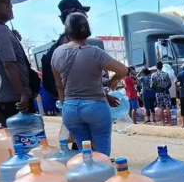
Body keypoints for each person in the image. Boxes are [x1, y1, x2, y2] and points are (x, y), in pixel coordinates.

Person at [51, 12, 128, 156]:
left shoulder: (57, 53)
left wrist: (66, 104)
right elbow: (123, 70)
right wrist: (113, 80)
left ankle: (89, 175)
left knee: (84, 152)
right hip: (96, 107)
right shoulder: (95, 52)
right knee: (102, 152)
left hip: (71, 109)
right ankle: (104, 176)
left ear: (67, 32)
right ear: (87, 31)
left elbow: (59, 85)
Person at [40, 0, 91, 100]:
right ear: (73, 15)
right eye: (82, 13)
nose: (86, 16)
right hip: (79, 98)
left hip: (70, 100)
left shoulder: (61, 42)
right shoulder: (71, 44)